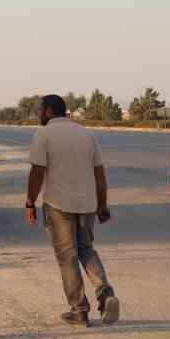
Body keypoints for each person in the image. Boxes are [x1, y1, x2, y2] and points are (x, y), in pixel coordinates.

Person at [26, 94, 119, 326]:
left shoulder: (43, 134)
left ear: (49, 111)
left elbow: (37, 173)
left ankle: (79, 311)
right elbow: (99, 173)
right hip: (87, 205)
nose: (38, 114)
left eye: (40, 110)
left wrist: (30, 202)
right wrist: (102, 203)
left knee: (67, 257)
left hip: (58, 205)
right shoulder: (86, 134)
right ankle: (105, 293)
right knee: (86, 249)